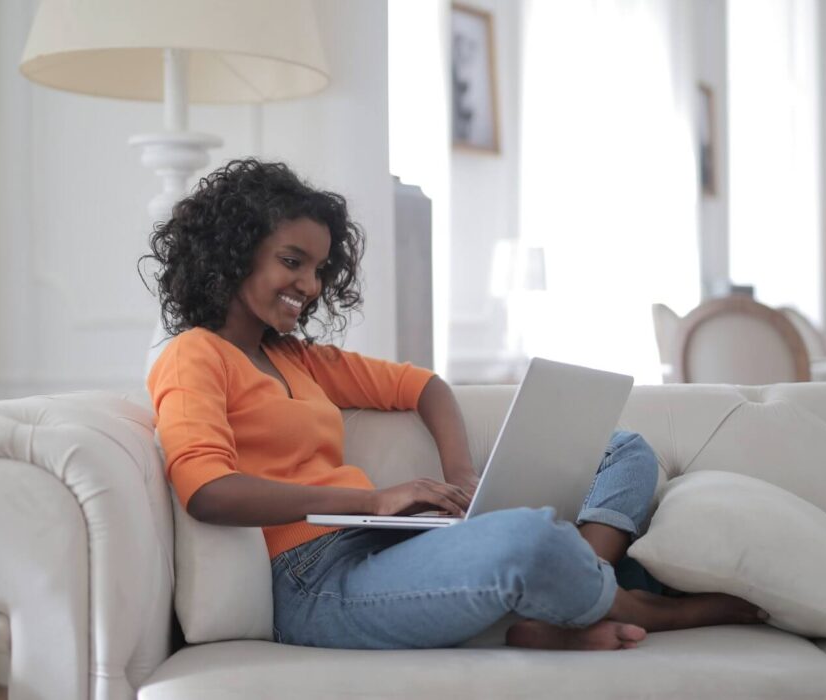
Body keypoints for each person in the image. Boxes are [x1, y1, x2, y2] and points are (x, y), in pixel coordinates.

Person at [140, 159, 764, 651]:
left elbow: (426, 387)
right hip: (312, 583)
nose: (310, 285)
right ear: (233, 250)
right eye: (292, 262)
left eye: (320, 268)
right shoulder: (192, 355)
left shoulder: (297, 358)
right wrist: (370, 502)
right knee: (525, 537)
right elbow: (208, 491)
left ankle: (568, 597)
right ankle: (627, 602)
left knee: (623, 448)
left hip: (380, 547)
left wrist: (463, 479)